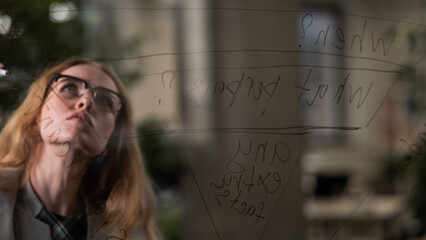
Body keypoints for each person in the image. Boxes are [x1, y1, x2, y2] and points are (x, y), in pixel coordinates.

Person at [0, 58, 159, 239]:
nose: (86, 101)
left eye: (105, 101)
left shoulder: (129, 231)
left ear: (112, 141)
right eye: (69, 88)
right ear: (36, 115)